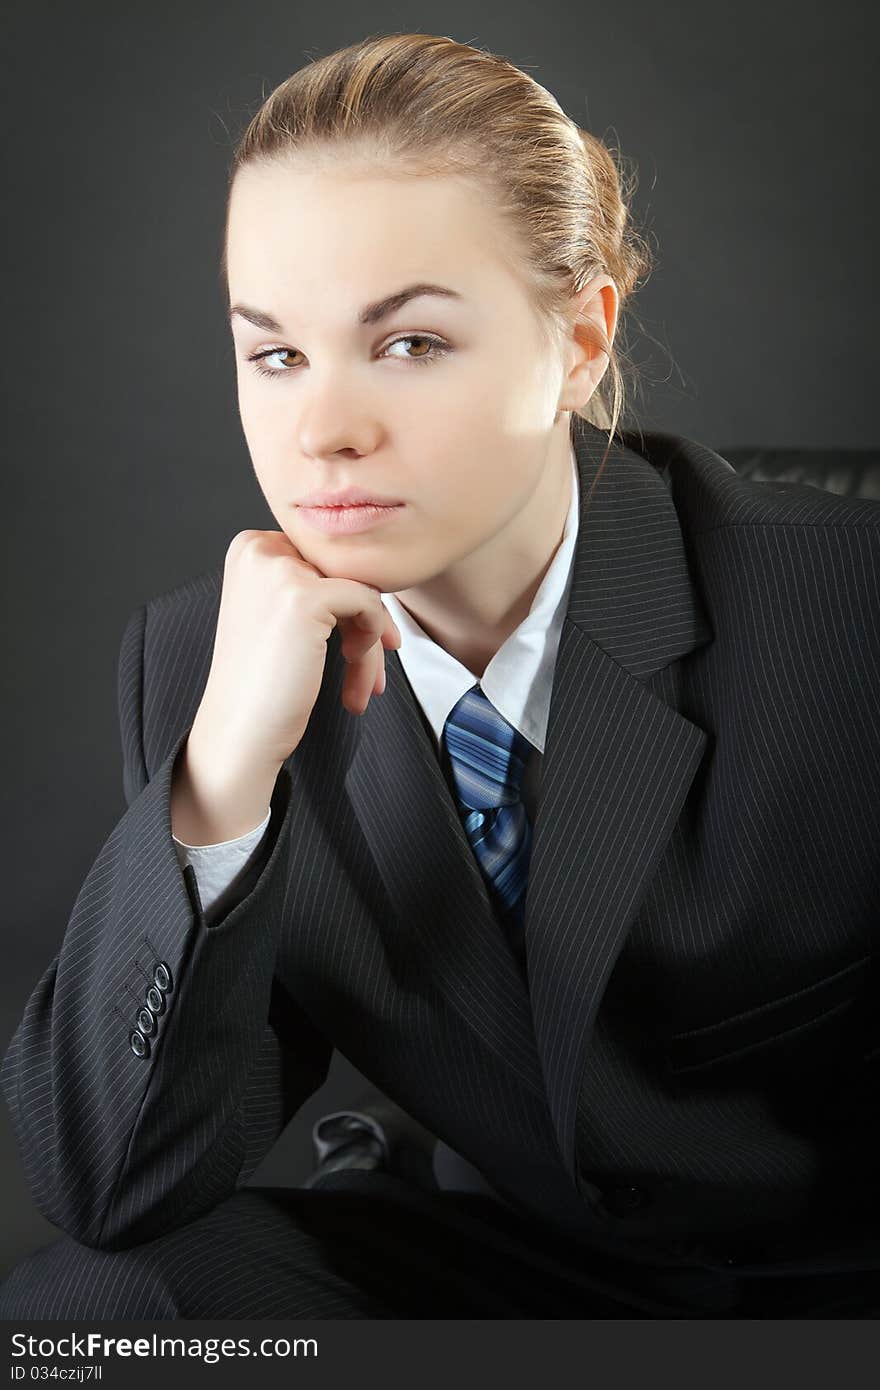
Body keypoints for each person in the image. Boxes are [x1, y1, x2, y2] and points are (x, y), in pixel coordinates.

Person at [2, 31, 880, 1320]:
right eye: (276, 354)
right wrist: (220, 782)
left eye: (408, 344)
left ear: (581, 336)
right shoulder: (206, 665)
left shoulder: (842, 609)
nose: (324, 430)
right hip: (511, 1270)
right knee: (88, 1316)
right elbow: (111, 1182)